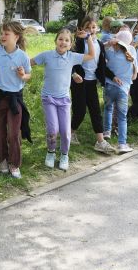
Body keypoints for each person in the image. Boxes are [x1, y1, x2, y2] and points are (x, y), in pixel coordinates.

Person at [32, 28, 95, 170]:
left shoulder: (72, 56)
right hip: (48, 98)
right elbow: (29, 62)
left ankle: (64, 155)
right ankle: (51, 152)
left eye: (67, 40)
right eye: (60, 39)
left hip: (64, 100)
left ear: (71, 43)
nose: (63, 42)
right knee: (53, 129)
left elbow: (91, 55)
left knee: (66, 131)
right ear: (55, 41)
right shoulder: (47, 55)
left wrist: (88, 37)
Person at [0, 21, 32, 179]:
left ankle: (14, 164)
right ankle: (2, 159)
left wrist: (23, 75)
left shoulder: (22, 56)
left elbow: (29, 75)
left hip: (14, 99)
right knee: (0, 132)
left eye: (6, 33)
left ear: (16, 37)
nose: (2, 36)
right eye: (1, 33)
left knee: (14, 133)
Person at [70, 16, 112, 154]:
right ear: (82, 29)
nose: (91, 30)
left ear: (97, 28)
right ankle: (70, 133)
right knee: (80, 111)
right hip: (79, 81)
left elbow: (101, 65)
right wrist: (74, 74)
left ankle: (100, 142)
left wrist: (112, 77)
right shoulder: (79, 42)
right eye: (88, 27)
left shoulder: (99, 44)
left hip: (92, 81)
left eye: (93, 27)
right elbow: (70, 60)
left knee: (95, 111)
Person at [103, 30, 137, 153]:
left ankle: (106, 131)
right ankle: (122, 144)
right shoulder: (132, 51)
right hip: (123, 89)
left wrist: (109, 42)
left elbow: (100, 49)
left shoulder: (110, 52)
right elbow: (135, 74)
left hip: (109, 86)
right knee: (122, 117)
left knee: (108, 109)